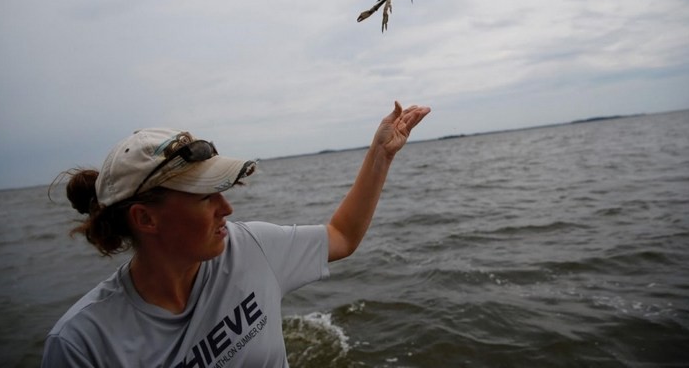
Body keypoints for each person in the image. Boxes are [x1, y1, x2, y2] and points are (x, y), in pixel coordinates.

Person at [42, 101, 430, 367]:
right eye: (204, 197)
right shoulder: (83, 344)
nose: (226, 210)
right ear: (146, 219)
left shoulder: (250, 248)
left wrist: (382, 155)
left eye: (222, 193)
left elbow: (341, 236)